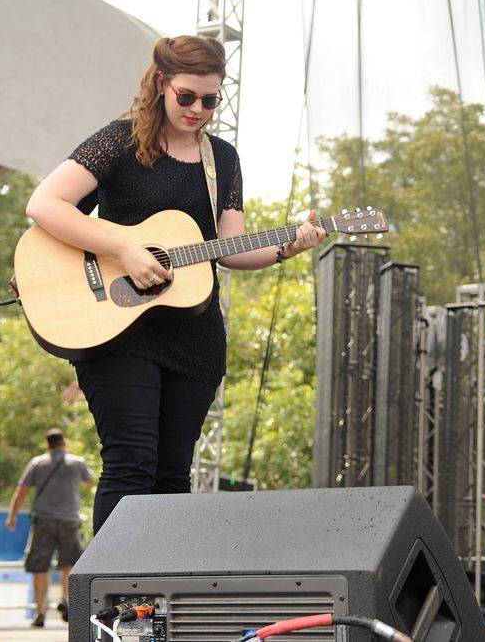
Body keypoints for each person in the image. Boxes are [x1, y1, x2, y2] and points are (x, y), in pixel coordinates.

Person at [25, 36, 327, 534]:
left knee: (171, 478)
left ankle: (157, 605)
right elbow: (44, 204)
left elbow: (229, 249)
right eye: (187, 96)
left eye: (210, 100)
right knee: (131, 464)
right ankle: (115, 605)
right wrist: (124, 249)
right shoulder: (120, 140)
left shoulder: (221, 160)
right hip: (119, 327)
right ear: (161, 84)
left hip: (193, 336)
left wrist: (289, 245)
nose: (198, 109)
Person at [6, 428, 93, 627]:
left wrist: (12, 516)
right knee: (70, 562)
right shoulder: (77, 462)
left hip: (43, 520)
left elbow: (22, 490)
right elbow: (89, 482)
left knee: (39, 566)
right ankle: (66, 601)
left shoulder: (37, 463)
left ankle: (39, 612)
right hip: (69, 520)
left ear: (49, 444)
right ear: (64, 442)